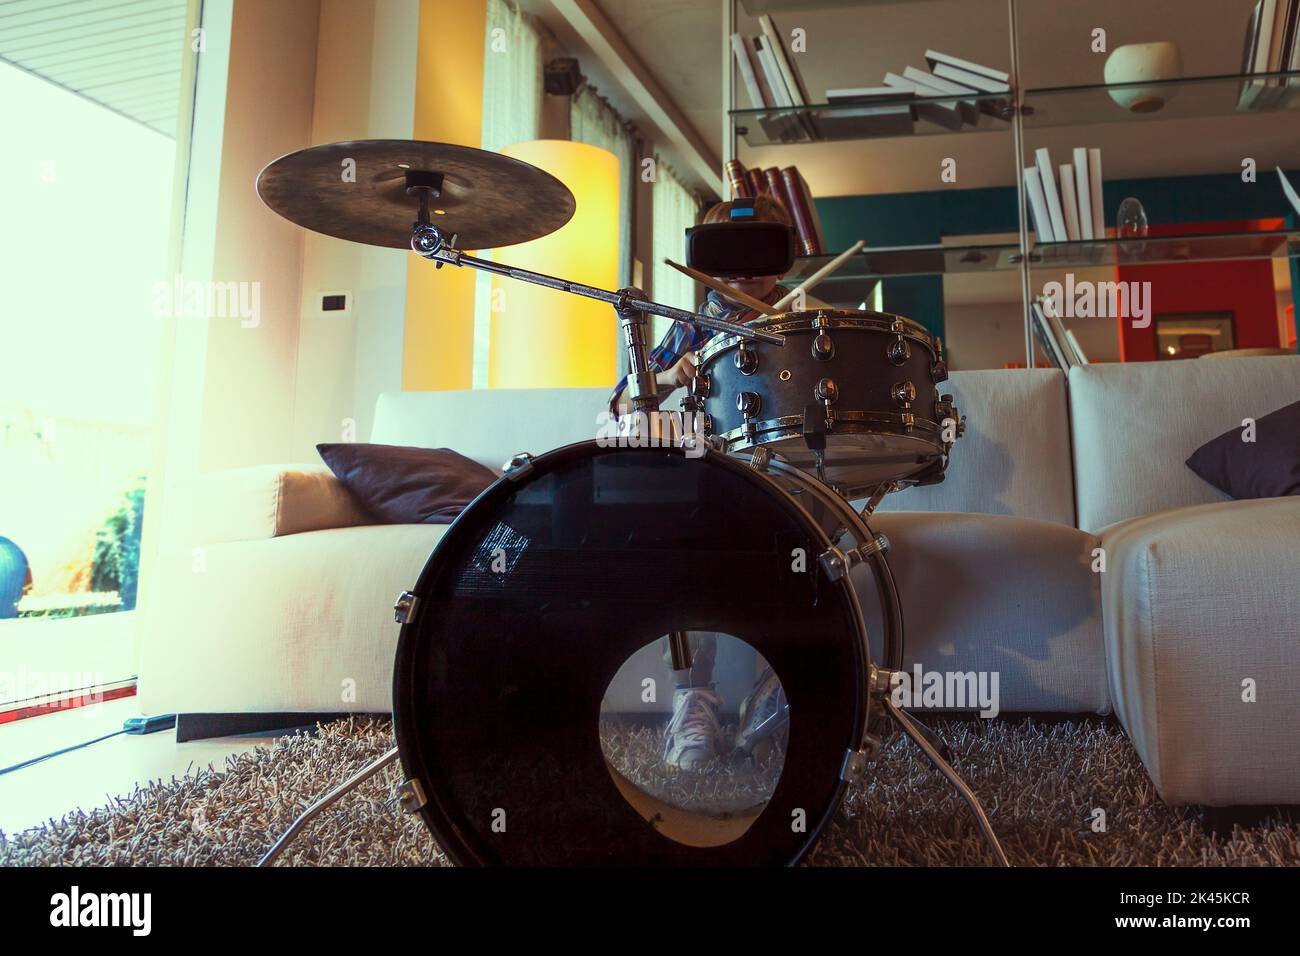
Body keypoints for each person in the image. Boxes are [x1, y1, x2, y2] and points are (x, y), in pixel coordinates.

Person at [608, 195, 794, 771]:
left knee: (795, 562)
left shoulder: (794, 319)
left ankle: (774, 702)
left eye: (760, 250)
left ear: (783, 258)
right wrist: (667, 373)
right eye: (727, 253)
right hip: (716, 476)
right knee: (691, 562)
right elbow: (619, 405)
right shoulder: (691, 324)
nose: (744, 267)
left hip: (783, 472)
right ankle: (695, 702)